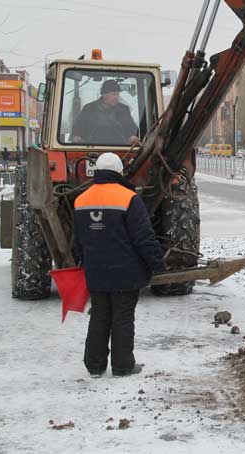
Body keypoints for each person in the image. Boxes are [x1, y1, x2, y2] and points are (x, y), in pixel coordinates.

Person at [73, 152, 166, 378]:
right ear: (119, 172)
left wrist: (83, 262)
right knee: (122, 317)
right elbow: (143, 237)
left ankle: (94, 365)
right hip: (126, 271)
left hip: (96, 271)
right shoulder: (129, 198)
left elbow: (77, 240)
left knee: (99, 316)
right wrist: (158, 263)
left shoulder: (81, 199)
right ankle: (123, 366)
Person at [71, 80, 140, 146]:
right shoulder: (89, 109)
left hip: (120, 149)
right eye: (113, 94)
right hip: (92, 149)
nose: (116, 97)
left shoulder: (123, 110)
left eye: (118, 94)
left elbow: (131, 127)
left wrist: (133, 136)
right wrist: (76, 136)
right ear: (104, 95)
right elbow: (78, 127)